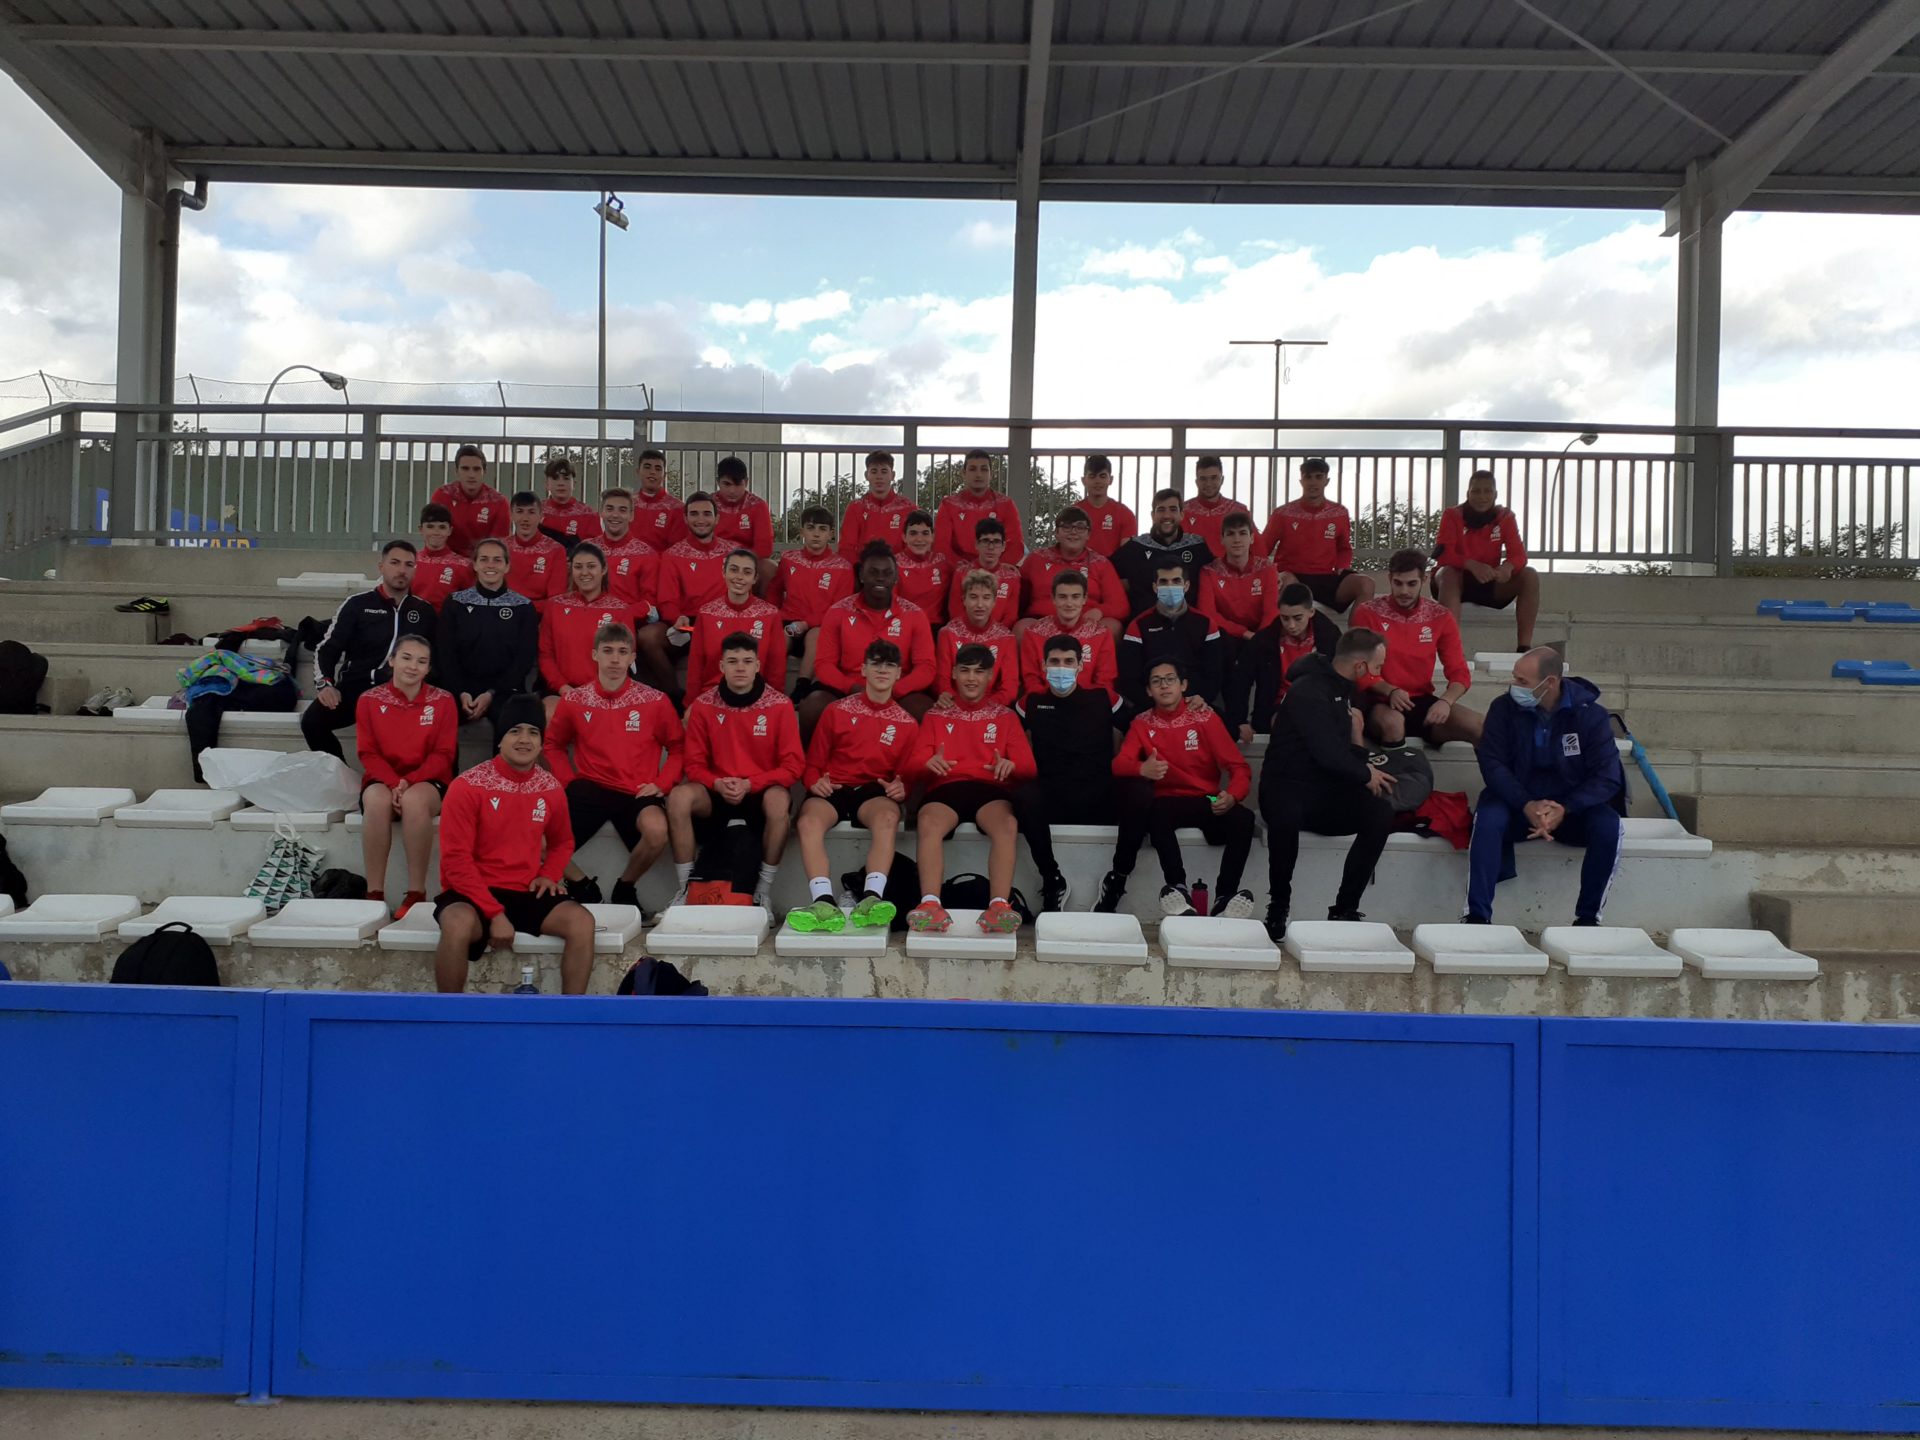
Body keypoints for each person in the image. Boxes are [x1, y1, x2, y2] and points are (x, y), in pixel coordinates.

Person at [433, 696, 594, 995]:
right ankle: (449, 1014)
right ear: (500, 739)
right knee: (456, 923)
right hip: (472, 892)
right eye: (514, 731)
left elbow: (562, 841)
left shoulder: (550, 787)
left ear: (542, 742)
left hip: (525, 890)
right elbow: (455, 861)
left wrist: (549, 874)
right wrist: (495, 914)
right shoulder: (467, 786)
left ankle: (571, 1013)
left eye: (533, 732)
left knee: (582, 922)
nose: (524, 739)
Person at [1465, 647, 1625, 927]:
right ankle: (1477, 917)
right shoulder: (1503, 708)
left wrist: (1566, 807)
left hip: (1570, 809)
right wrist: (1526, 804)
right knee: (1487, 818)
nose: (1514, 686)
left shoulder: (1591, 715)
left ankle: (1588, 920)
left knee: (1609, 825)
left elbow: (1608, 776)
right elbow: (1492, 764)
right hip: (1517, 804)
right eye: (1514, 678)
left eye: (1522, 681)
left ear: (1549, 682)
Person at [1259, 628, 1400, 942]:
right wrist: (1365, 773)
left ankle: (1345, 908)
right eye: (1377, 667)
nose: (1378, 673)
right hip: (1285, 784)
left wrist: (1360, 749)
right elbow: (1325, 752)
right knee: (1285, 817)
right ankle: (1278, 905)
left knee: (1379, 812)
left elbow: (1340, 750)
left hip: (1323, 789)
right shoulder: (1308, 691)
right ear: (1360, 666)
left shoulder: (1342, 688)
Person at [1099, 658, 1255, 918]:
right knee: (1156, 813)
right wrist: (1141, 768)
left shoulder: (1205, 717)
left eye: (1170, 679)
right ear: (1148, 690)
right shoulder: (1142, 722)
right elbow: (1119, 764)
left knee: (1244, 818)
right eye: (1156, 681)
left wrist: (1232, 795)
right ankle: (1178, 890)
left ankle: (1225, 897)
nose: (1164, 686)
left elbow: (1238, 767)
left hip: (1207, 797)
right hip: (1168, 798)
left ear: (1183, 685)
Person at [544, 622, 683, 909]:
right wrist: (568, 781)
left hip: (637, 791)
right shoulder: (576, 700)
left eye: (622, 652)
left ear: (633, 657)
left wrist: (662, 784)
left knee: (657, 831)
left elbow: (679, 747)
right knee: (536, 838)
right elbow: (553, 744)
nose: (615, 659)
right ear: (595, 655)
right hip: (590, 789)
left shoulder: (654, 700)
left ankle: (625, 887)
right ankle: (581, 885)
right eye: (608, 651)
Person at [787, 639, 921, 933]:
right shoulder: (836, 710)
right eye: (876, 664)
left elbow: (904, 779)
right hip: (834, 787)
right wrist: (814, 783)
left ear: (899, 673)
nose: (882, 670)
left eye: (890, 665)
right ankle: (822, 902)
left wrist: (902, 789)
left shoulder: (907, 723)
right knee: (807, 822)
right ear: (863, 669)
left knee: (888, 817)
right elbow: (813, 764)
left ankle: (872, 898)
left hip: (873, 792)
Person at [903, 644, 1037, 935]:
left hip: (990, 790)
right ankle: (930, 904)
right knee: (928, 821)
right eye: (965, 671)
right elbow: (911, 767)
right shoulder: (936, 715)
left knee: (1007, 824)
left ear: (990, 676)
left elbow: (1029, 768)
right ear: (953, 673)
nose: (972, 678)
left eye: (979, 672)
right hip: (946, 787)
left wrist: (1010, 766)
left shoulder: (1005, 716)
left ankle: (999, 906)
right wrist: (928, 763)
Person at [669, 631, 804, 910]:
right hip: (716, 792)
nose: (740, 667)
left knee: (779, 801)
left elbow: (793, 766)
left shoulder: (780, 705)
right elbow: (693, 764)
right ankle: (685, 889)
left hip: (759, 792)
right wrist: (716, 783)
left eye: (747, 661)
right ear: (722, 666)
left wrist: (751, 784)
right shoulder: (704, 705)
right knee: (679, 797)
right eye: (732, 661)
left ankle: (762, 893)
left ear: (757, 665)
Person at [1013, 633, 1124, 911]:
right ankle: (1052, 879)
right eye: (1054, 661)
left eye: (1068, 661)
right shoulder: (1030, 703)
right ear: (1043, 666)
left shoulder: (1105, 698)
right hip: (1052, 795)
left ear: (1080, 665)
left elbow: (1144, 721)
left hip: (1098, 795)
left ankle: (1117, 879)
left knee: (1139, 794)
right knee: (1024, 795)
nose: (1060, 668)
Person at [354, 633, 457, 917]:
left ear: (429, 668)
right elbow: (367, 753)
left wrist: (408, 782)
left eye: (422, 661)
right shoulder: (369, 700)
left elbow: (444, 754)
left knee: (414, 801)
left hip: (427, 780)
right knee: (376, 801)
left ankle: (416, 892)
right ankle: (374, 893)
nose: (413, 666)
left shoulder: (443, 700)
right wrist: (393, 783)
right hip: (383, 778)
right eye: (406, 658)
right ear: (392, 660)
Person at [305, 541, 437, 759]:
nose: (401, 570)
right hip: (356, 688)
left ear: (415, 570)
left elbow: (434, 658)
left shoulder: (424, 611)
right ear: (381, 566)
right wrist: (325, 684)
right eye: (395, 563)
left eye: (409, 565)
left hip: (402, 691)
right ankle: (341, 775)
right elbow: (328, 648)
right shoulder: (357, 604)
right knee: (312, 722)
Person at [803, 541, 937, 736]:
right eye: (873, 572)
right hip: (849, 688)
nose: (880, 578)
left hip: (896, 689)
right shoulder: (838, 612)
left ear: (896, 577)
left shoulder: (915, 614)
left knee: (924, 710)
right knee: (812, 707)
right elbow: (824, 665)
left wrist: (893, 690)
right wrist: (853, 688)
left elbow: (926, 667)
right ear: (861, 575)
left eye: (887, 573)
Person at [1353, 548, 1480, 747]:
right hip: (1380, 700)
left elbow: (1459, 672)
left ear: (1424, 579)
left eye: (1412, 584)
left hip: (1421, 702)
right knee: (1393, 723)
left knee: (1479, 725)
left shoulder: (1441, 616)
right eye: (1398, 583)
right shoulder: (1367, 613)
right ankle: (1400, 768)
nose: (1404, 591)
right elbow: (1356, 668)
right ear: (1390, 579)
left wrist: (1445, 702)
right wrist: (1390, 690)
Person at [437, 537, 539, 736]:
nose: (490, 565)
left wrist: (492, 693)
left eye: (497, 560)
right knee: (439, 717)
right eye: (484, 559)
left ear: (507, 566)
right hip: (460, 689)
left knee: (513, 720)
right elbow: (445, 653)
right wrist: (461, 692)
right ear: (474, 564)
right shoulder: (455, 603)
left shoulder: (523, 607)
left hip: (505, 690)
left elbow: (524, 659)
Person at [1193, 510, 1281, 741]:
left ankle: (1262, 724)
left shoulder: (1267, 568)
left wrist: (1258, 637)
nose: (1237, 539)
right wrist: (1244, 633)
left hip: (1261, 633)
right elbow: (1208, 613)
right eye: (1230, 534)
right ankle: (1236, 723)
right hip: (1230, 635)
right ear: (1221, 539)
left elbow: (1271, 611)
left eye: (1242, 533)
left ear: (1252, 538)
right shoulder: (1209, 571)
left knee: (1267, 653)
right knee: (1225, 649)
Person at [1433, 468, 1541, 650]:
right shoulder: (1452, 515)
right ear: (1468, 494)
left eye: (1487, 491)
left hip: (1489, 581)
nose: (1482, 497)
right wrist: (1471, 565)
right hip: (1454, 582)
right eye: (1476, 491)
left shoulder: (1505, 517)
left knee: (1530, 575)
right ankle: (1451, 648)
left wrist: (1507, 568)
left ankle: (1524, 648)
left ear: (1495, 494)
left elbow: (1519, 555)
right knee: (1448, 573)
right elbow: (1443, 555)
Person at [181, 634, 298, 785]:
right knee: (207, 701)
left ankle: (203, 769)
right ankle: (204, 769)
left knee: (205, 702)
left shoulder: (220, 663)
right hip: (256, 690)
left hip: (248, 690)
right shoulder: (221, 667)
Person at [1262, 456, 1373, 614]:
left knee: (1366, 584)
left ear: (1326, 481)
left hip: (1326, 577)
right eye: (1308, 477)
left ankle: (1358, 630)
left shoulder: (1339, 512)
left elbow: (1344, 548)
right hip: (1292, 576)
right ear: (1301, 481)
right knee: (1286, 579)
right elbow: (1263, 549)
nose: (1313, 482)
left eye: (1318, 477)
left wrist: (1342, 566)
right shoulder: (1282, 513)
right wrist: (1270, 573)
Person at [641, 490, 727, 694]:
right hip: (687, 626)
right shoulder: (672, 555)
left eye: (707, 513)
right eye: (694, 514)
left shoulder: (732, 553)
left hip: (722, 623)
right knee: (648, 636)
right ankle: (674, 697)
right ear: (686, 519)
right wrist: (676, 618)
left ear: (717, 519)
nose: (701, 519)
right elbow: (667, 600)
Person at [538, 543, 641, 707]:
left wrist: (596, 693)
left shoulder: (621, 610)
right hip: (561, 691)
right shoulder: (555, 605)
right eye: (578, 567)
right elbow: (546, 654)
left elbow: (623, 658)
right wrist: (563, 688)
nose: (584, 572)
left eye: (591, 566)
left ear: (603, 569)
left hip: (605, 694)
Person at [1119, 561, 1223, 716]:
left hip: (1195, 704)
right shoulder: (1138, 625)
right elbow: (1129, 678)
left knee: (1227, 726)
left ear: (1186, 586)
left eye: (1176, 581)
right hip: (1151, 706)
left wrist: (1199, 699)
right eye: (1163, 582)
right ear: (1155, 587)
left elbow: (1214, 673)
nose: (1170, 586)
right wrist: (1158, 704)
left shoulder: (1206, 623)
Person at [769, 504, 855, 687]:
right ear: (802, 531)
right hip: (789, 622)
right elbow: (774, 590)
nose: (816, 534)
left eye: (822, 529)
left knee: (815, 635)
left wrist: (806, 623)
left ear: (831, 534)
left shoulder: (843, 567)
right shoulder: (789, 559)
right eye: (810, 528)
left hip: (821, 625)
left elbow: (840, 608)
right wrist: (773, 616)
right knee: (780, 634)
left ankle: (801, 687)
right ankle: (771, 687)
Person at [1018, 505, 1129, 640]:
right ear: (1056, 532)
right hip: (1042, 623)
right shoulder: (1036, 559)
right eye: (1066, 527)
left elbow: (1120, 605)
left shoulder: (1101, 563)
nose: (1073, 532)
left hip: (1086, 625)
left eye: (1080, 527)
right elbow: (1018, 595)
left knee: (1113, 626)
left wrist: (1100, 611)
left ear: (1088, 534)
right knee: (1022, 627)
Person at [687, 548, 786, 695]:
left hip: (757, 695)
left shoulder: (770, 614)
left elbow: (776, 668)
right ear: (724, 572)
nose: (739, 577)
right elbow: (696, 664)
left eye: (747, 572)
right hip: (713, 694)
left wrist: (773, 700)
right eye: (734, 570)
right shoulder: (706, 613)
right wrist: (692, 700)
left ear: (755, 578)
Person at [1247, 581, 1340, 729]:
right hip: (1280, 706)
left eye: (1297, 618)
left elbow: (1343, 676)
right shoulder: (1264, 640)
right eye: (1285, 618)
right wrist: (1239, 720)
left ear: (1311, 612)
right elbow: (1242, 679)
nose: (1291, 625)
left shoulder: (1330, 636)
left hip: (1320, 701)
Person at [1016, 571, 1119, 702]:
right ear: (1053, 598)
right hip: (1045, 702)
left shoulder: (1101, 633)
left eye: (1075, 597)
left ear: (1084, 599)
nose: (1069, 604)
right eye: (1063, 597)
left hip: (1088, 702)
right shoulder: (1034, 632)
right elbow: (1031, 680)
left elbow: (1104, 681)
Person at [1113, 487, 1212, 620]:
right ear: (1153, 515)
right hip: (1144, 624)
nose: (1166, 515)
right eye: (1161, 510)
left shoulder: (1198, 546)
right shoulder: (1135, 547)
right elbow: (1109, 576)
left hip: (1189, 623)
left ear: (1182, 515)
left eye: (1173, 509)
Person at [936, 570, 1020, 707]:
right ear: (964, 600)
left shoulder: (1006, 637)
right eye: (973, 597)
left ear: (994, 601)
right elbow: (942, 680)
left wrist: (985, 706)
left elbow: (1010, 685)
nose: (980, 604)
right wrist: (953, 701)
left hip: (992, 706)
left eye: (986, 597)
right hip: (954, 704)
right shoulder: (947, 633)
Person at [934, 448, 1025, 568]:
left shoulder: (1006, 504)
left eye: (984, 469)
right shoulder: (949, 505)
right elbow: (941, 546)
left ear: (991, 474)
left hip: (997, 571)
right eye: (972, 469)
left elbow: (1015, 545)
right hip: (959, 571)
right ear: (964, 473)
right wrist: (966, 570)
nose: (978, 475)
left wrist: (995, 568)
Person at [428, 443, 509, 556]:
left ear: (484, 471)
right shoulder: (442, 496)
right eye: (465, 469)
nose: (471, 475)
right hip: (446, 561)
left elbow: (497, 548)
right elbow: (433, 538)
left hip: (482, 563)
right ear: (456, 471)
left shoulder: (499, 502)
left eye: (476, 469)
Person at [710, 455, 775, 587]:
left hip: (747, 562)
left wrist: (738, 565)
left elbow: (764, 548)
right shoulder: (708, 504)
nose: (732, 490)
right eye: (727, 484)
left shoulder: (758, 505)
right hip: (711, 560)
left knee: (769, 567)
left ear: (747, 482)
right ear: (718, 482)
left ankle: (765, 602)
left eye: (738, 484)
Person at [946, 516, 1021, 629]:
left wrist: (993, 634)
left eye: (996, 542)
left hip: (999, 635)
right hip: (964, 633)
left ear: (1003, 546)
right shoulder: (961, 573)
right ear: (977, 544)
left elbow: (1010, 616)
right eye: (985, 541)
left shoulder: (1012, 577)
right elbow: (955, 611)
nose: (991, 547)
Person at [839, 450, 916, 560]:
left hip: (899, 569)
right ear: (866, 475)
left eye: (884, 471)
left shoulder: (909, 508)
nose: (879, 476)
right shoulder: (855, 507)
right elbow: (846, 548)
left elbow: (915, 547)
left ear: (892, 475)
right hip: (863, 568)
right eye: (874, 471)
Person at [594, 487, 661, 609]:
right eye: (609, 509)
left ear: (631, 515)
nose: (615, 515)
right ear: (601, 512)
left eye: (622, 510)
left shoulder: (647, 554)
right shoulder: (587, 549)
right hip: (589, 615)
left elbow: (649, 604)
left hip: (629, 618)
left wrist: (625, 615)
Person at [1181, 455, 1251, 557]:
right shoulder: (1182, 512)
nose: (1208, 484)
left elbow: (1258, 550)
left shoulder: (1239, 510)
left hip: (1231, 567)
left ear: (1222, 480)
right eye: (1203, 479)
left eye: (1214, 478)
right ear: (1197, 482)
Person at [504, 490, 567, 602]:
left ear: (541, 516)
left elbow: (555, 600)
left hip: (540, 611)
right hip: (504, 609)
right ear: (511, 515)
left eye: (531, 512)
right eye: (519, 511)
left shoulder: (556, 550)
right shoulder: (501, 548)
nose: (525, 518)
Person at [411, 502, 475, 610]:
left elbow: (471, 605)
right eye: (430, 526)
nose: (436, 532)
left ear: (450, 530)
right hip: (411, 619)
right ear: (421, 530)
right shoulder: (409, 562)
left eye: (442, 527)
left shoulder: (464, 566)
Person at [894, 509, 953, 623]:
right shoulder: (893, 565)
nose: (919, 539)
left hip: (936, 627)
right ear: (904, 537)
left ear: (933, 536)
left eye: (925, 533)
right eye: (913, 533)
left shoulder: (943, 563)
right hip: (904, 625)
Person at [1077, 453, 1136, 558]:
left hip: (1113, 567)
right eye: (1092, 476)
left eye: (1102, 476)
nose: (1097, 481)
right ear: (1083, 480)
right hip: (1079, 567)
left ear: (1111, 479)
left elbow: (1127, 554)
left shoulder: (1125, 514)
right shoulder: (1074, 512)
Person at [629, 447, 687, 547]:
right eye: (647, 467)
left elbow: (677, 548)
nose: (652, 472)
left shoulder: (678, 508)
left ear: (665, 475)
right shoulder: (627, 504)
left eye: (658, 469)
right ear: (638, 471)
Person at [539, 455, 600, 543]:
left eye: (566, 478)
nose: (561, 483)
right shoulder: (536, 512)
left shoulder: (588, 513)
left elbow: (596, 546)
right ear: (547, 484)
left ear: (574, 484)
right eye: (555, 478)